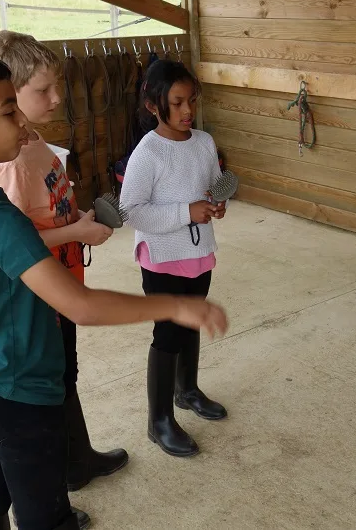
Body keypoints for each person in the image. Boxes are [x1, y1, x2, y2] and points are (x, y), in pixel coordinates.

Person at [0, 50, 227, 530]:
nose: (22, 119)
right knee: (46, 515)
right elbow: (79, 305)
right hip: (18, 393)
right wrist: (178, 304)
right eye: (7, 110)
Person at [0, 30, 128, 498]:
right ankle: (47, 493)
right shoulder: (13, 164)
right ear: (9, 94)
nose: (57, 97)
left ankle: (76, 459)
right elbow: (12, 240)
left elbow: (46, 213)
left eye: (56, 85)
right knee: (43, 391)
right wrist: (76, 233)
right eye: (43, 89)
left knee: (66, 375)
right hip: (36, 299)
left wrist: (78, 222)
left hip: (62, 292)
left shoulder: (36, 145)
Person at [118, 59, 228, 458]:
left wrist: (217, 203)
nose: (187, 111)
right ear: (153, 105)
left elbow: (214, 186)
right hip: (162, 259)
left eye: (191, 102)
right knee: (167, 336)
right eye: (178, 102)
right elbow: (131, 210)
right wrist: (187, 212)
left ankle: (188, 391)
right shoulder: (147, 153)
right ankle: (158, 420)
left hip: (199, 253)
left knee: (192, 322)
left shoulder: (203, 142)